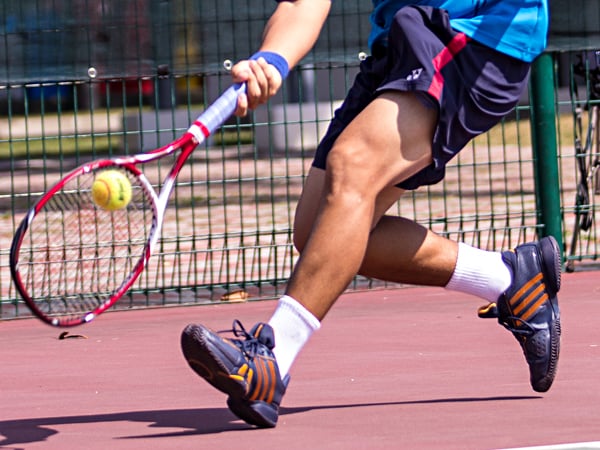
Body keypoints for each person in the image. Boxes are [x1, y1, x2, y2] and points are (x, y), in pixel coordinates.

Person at [181, 0, 560, 428]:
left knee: (353, 164)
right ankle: (510, 278)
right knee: (316, 232)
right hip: (400, 42)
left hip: (477, 36)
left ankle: (273, 359)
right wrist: (271, 60)